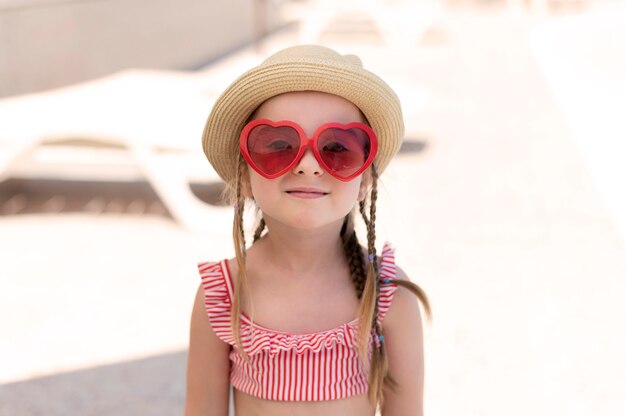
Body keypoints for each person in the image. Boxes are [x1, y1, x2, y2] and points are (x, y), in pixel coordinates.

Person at [185, 45, 431, 416]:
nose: (308, 165)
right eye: (279, 145)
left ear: (364, 180)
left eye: (336, 147)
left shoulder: (387, 295)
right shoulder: (223, 297)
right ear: (245, 176)